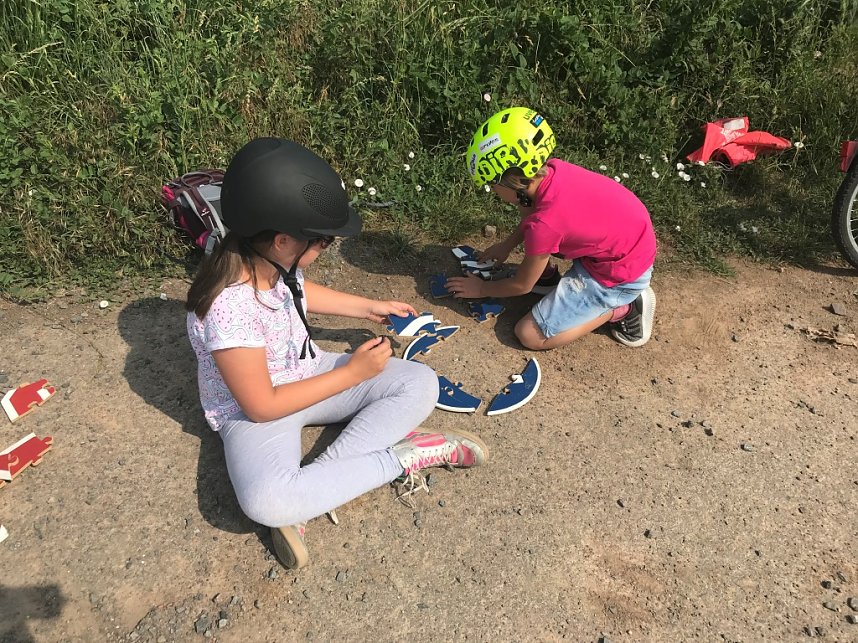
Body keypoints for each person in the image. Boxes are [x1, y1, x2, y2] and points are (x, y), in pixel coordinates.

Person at [185, 138, 489, 569]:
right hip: (254, 411)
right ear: (282, 240)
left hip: (306, 372)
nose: (326, 248)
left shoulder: (262, 261)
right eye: (323, 242)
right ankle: (405, 456)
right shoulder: (227, 308)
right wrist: (353, 374)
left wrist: (368, 307)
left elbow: (301, 292)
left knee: (419, 383)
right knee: (267, 501)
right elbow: (261, 406)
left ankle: (317, 489)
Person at [447, 107, 657, 350]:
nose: (493, 192)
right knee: (538, 228)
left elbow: (521, 285)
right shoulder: (551, 171)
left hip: (620, 276)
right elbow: (533, 219)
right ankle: (546, 276)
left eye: (492, 185)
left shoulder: (545, 224)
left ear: (511, 181)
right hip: (627, 245)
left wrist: (482, 288)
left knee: (529, 335)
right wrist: (507, 245)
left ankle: (623, 308)